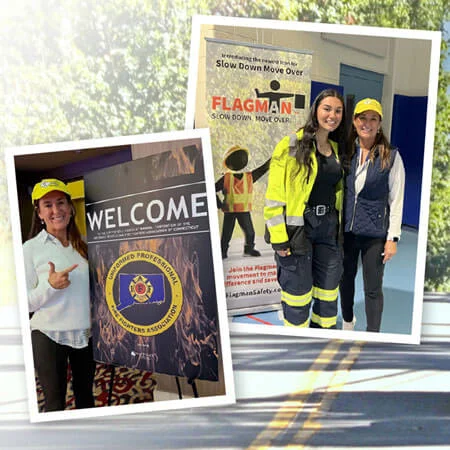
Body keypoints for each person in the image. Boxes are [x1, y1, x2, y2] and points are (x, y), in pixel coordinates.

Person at [264, 89, 346, 328]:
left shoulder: (337, 149)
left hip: (328, 231)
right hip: (298, 232)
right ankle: (296, 344)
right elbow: (274, 197)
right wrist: (279, 239)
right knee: (297, 295)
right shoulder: (291, 145)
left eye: (338, 111)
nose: (332, 115)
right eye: (327, 109)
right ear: (316, 110)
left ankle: (322, 337)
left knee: (328, 293)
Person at [23, 178, 96, 411]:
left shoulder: (84, 244)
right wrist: (50, 286)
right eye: (48, 205)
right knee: (55, 404)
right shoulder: (30, 249)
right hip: (49, 335)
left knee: (86, 398)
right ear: (40, 212)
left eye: (61, 202)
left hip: (86, 334)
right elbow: (24, 302)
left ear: (70, 207)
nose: (56, 210)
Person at [340, 98, 405, 332]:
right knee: (345, 279)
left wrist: (392, 238)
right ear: (355, 122)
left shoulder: (392, 156)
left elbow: (397, 200)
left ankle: (373, 335)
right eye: (362, 118)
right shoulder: (346, 151)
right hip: (346, 230)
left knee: (373, 288)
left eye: (373, 119)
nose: (367, 123)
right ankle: (348, 321)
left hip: (375, 233)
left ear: (379, 123)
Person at [216, 144, 270, 259]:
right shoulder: (230, 178)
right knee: (226, 234)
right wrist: (219, 204)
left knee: (250, 232)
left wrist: (219, 204)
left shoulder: (248, 177)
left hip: (243, 210)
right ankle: (222, 251)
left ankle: (249, 249)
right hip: (230, 211)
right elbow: (264, 168)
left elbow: (264, 168)